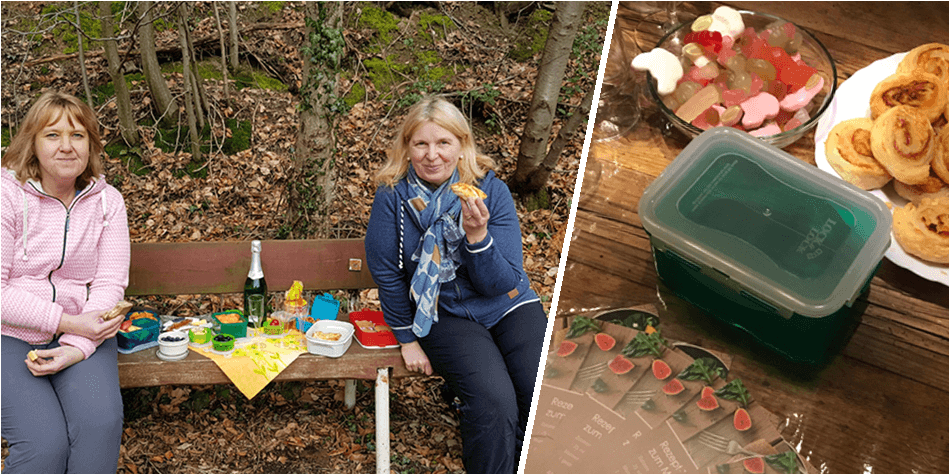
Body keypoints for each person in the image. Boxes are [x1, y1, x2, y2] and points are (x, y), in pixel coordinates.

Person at [365, 95, 548, 473]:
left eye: (443, 142)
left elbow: (501, 283)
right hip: (443, 312)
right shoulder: (393, 197)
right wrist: (406, 338)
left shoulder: (491, 191)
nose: (432, 155)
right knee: (493, 401)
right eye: (421, 143)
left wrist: (477, 238)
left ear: (462, 145)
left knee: (540, 394)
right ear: (407, 147)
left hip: (508, 305)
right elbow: (388, 273)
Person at [2, 91, 130, 473]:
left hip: (84, 333)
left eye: (77, 135)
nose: (66, 146)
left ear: (90, 144)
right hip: (9, 334)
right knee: (44, 445)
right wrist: (68, 322)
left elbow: (109, 284)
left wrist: (77, 346)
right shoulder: (7, 196)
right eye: (52, 135)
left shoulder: (108, 202)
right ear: (33, 143)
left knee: (100, 426)